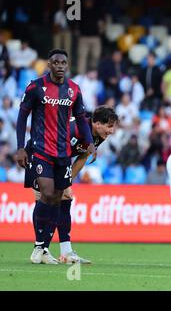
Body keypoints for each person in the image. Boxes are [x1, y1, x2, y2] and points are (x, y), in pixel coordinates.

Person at [16, 49, 94, 264]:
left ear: (67, 66)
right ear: (49, 65)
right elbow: (22, 116)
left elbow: (80, 118)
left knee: (57, 197)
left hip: (63, 154)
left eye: (63, 62)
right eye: (55, 62)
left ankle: (43, 249)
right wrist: (20, 147)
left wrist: (90, 144)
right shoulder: (35, 87)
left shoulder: (73, 90)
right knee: (47, 194)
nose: (60, 65)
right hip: (41, 150)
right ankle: (38, 247)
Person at [26, 106, 119, 264]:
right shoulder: (74, 130)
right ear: (96, 123)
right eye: (109, 126)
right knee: (43, 197)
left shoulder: (99, 136)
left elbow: (82, 157)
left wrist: (66, 181)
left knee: (65, 195)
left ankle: (65, 252)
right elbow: (52, 148)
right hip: (39, 153)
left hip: (59, 160)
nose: (111, 131)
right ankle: (40, 249)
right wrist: (61, 182)